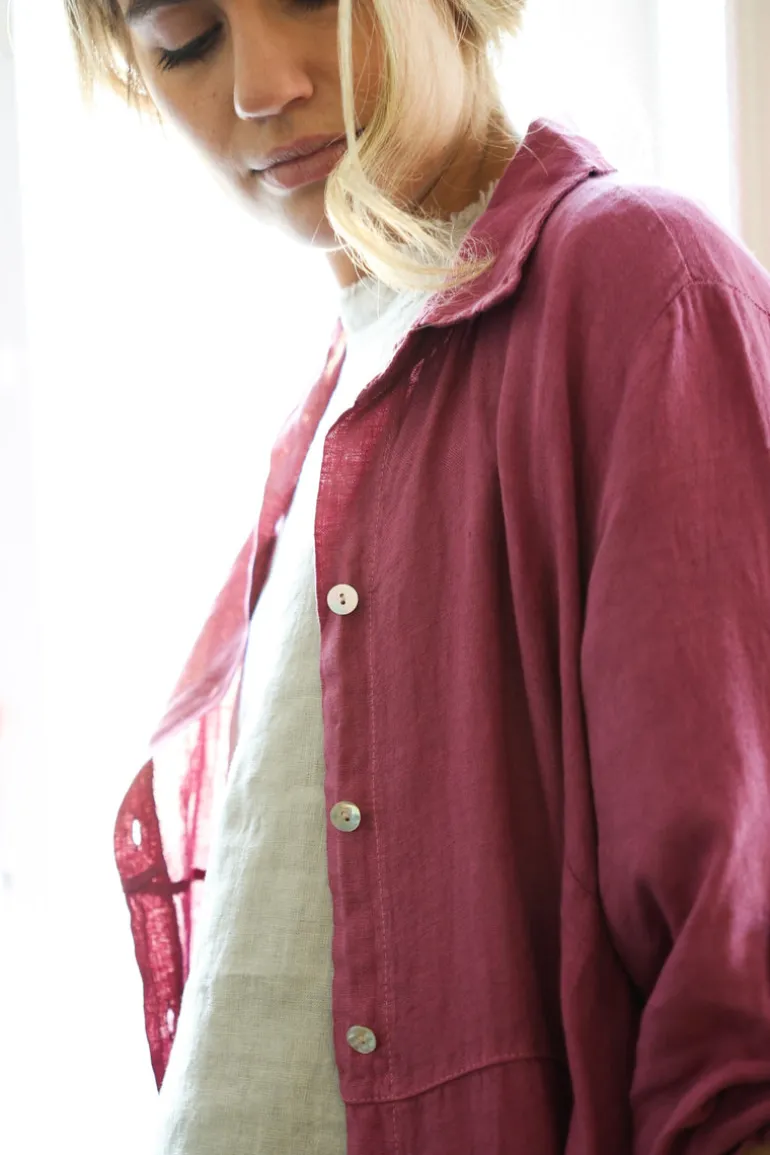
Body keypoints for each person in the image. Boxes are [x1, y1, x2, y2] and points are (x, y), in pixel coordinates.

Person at [65, 2, 770, 1153]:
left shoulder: (639, 283)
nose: (258, 87)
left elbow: (732, 984)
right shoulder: (335, 394)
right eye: (185, 38)